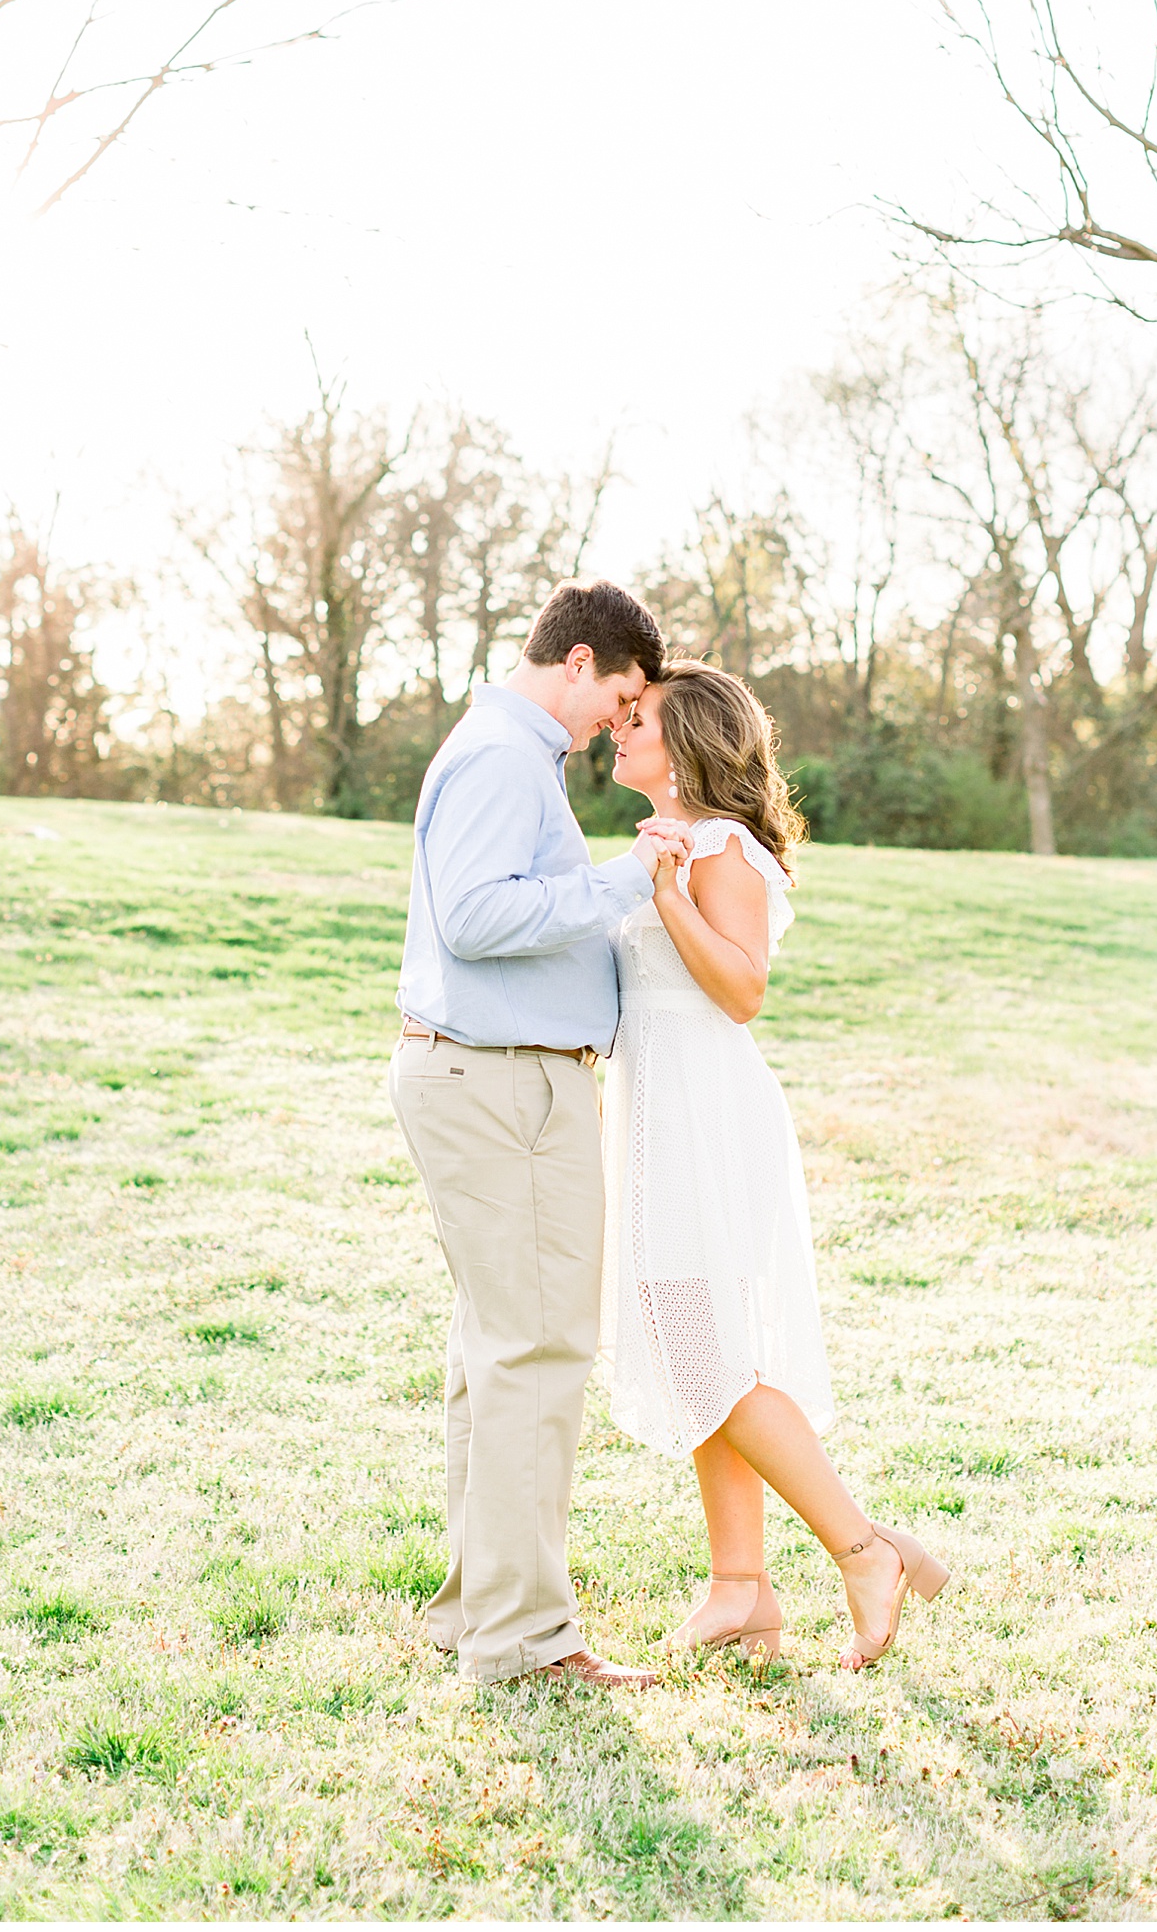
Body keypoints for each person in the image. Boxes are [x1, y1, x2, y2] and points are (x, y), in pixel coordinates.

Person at [603, 660, 949, 1669]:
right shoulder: (679, 843)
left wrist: (667, 893)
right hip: (663, 1112)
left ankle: (862, 1546)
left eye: (639, 719)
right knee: (701, 1347)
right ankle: (740, 1587)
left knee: (704, 1349)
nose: (617, 731)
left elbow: (743, 988)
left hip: (704, 1119)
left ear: (692, 741)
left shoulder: (719, 846)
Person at [389, 579, 670, 1692]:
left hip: (487, 1076)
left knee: (498, 1352)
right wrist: (624, 880)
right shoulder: (506, 754)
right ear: (580, 660)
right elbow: (476, 912)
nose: (622, 715)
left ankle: (480, 1614)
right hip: (503, 1084)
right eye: (624, 692)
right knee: (539, 1352)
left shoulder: (506, 749)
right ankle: (525, 1638)